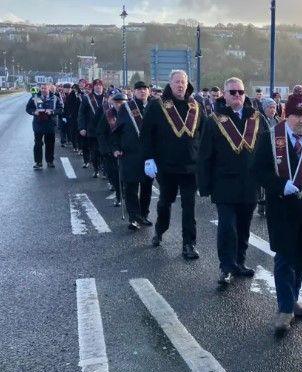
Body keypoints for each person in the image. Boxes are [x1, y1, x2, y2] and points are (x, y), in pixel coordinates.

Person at [252, 93, 302, 333]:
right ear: (286, 115)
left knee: (300, 259)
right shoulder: (269, 138)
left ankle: (293, 298)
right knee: (284, 259)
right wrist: (279, 185)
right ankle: (284, 308)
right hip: (282, 210)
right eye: (297, 115)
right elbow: (257, 171)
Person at [198, 77, 269, 283]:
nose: (237, 95)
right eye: (232, 92)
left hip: (250, 183)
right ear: (225, 95)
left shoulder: (257, 118)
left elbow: (266, 150)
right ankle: (226, 267)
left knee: (244, 226)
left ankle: (240, 262)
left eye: (240, 91)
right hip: (224, 183)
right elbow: (205, 155)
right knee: (227, 226)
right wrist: (205, 185)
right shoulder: (214, 120)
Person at [141, 70, 204, 260]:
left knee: (189, 206)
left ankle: (188, 244)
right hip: (166, 166)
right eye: (176, 82)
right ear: (170, 83)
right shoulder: (156, 106)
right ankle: (160, 230)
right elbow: (146, 135)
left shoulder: (197, 107)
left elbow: (203, 135)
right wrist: (148, 158)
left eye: (183, 82)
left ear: (187, 84)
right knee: (165, 203)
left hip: (190, 167)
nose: (180, 85)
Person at [111, 81, 154, 230]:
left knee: (147, 187)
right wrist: (116, 147)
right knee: (131, 187)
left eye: (145, 89)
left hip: (149, 155)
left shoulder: (154, 107)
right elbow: (116, 130)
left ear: (148, 91)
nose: (142, 91)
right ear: (134, 92)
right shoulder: (126, 108)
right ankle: (134, 217)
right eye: (139, 89)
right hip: (130, 153)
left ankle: (144, 214)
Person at [96, 90, 124, 207]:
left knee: (126, 176)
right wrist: (107, 149)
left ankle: (126, 196)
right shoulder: (108, 114)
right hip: (110, 150)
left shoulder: (130, 114)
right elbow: (100, 133)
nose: (119, 104)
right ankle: (119, 194)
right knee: (114, 175)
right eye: (117, 102)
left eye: (122, 102)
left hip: (125, 149)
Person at [26, 83, 62, 169]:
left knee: (50, 144)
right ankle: (38, 162)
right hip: (38, 124)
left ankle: (50, 161)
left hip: (50, 124)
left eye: (45, 88)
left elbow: (60, 109)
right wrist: (34, 112)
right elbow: (28, 108)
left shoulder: (55, 98)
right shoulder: (34, 98)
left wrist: (52, 112)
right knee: (38, 144)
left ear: (49, 89)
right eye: (42, 88)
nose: (43, 90)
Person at [78, 79, 106, 177]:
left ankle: (105, 170)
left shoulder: (107, 98)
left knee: (105, 151)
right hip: (92, 129)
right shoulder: (87, 98)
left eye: (100, 85)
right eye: (96, 85)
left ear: (102, 86)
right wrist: (82, 127)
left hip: (105, 130)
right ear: (93, 87)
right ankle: (96, 168)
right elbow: (81, 114)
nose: (98, 87)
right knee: (94, 151)